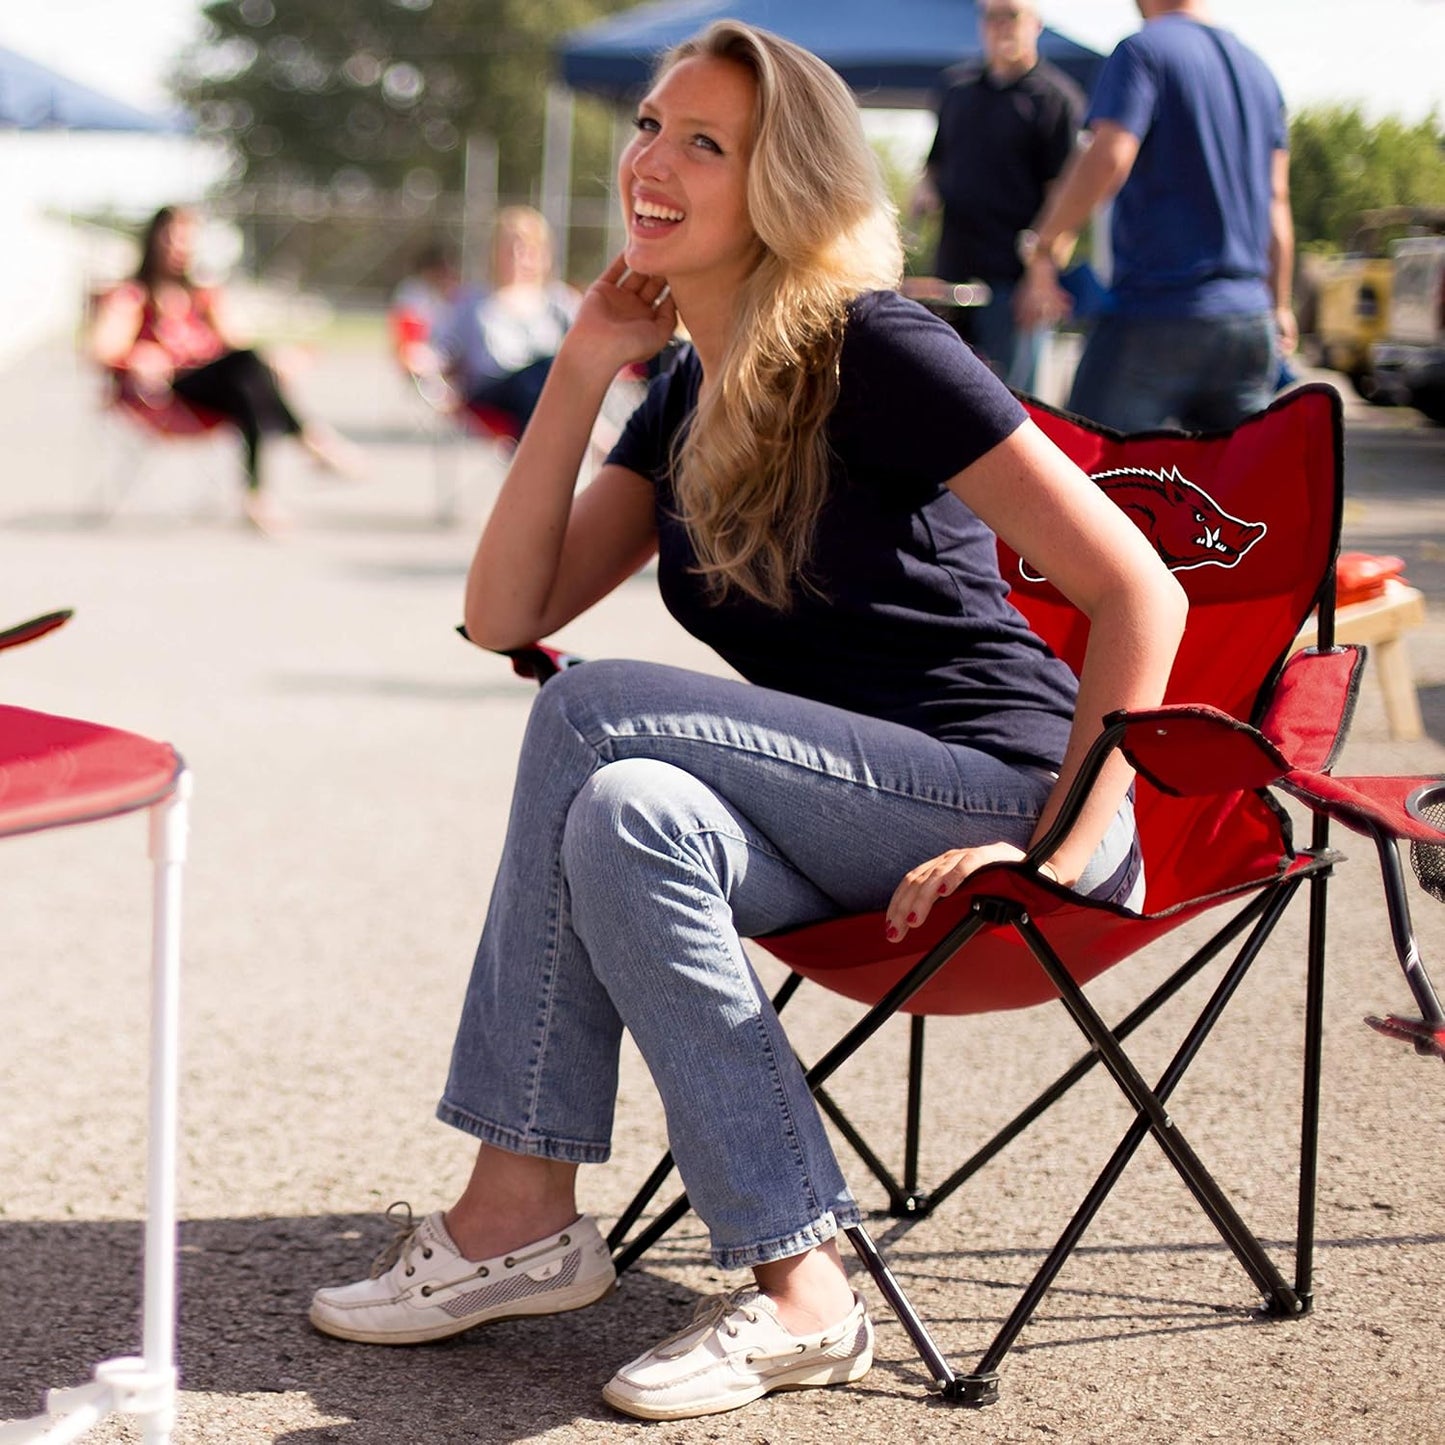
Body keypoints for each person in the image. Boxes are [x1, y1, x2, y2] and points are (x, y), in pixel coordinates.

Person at [310, 20, 1186, 1423]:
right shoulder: (685, 391)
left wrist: (1072, 844)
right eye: (651, 125)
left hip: (1002, 792)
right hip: (842, 809)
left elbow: (1138, 592)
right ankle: (803, 1289)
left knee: (595, 715)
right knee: (626, 811)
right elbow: (501, 615)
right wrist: (587, 365)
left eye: (701, 143)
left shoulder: (878, 347)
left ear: (786, 187)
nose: (650, 160)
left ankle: (517, 1207)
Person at [1015, 0, 1297, 432]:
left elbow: (1109, 155)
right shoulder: (1259, 71)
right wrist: (1279, 304)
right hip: (1248, 321)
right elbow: (1277, 200)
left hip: (1158, 311)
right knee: (1233, 490)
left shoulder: (1142, 51)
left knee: (1086, 475)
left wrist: (1045, 246)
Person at [89, 205, 362, 534]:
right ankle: (309, 444)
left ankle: (258, 495)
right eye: (171, 237)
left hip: (216, 389)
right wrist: (137, 355)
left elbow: (236, 340)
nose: (178, 246)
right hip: (167, 392)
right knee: (248, 373)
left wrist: (279, 360)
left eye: (185, 239)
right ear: (153, 241)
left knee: (249, 378)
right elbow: (102, 349)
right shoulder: (132, 296)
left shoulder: (202, 295)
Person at [908, 0, 1083, 392]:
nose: (1001, 26)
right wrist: (923, 196)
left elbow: (1067, 198)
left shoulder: (1056, 100)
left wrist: (1041, 275)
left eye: (1012, 16)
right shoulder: (957, 89)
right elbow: (935, 166)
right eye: (992, 16)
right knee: (945, 397)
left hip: (1013, 283)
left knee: (1014, 406)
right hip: (951, 276)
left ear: (1035, 24)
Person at [430, 206, 581, 430]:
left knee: (549, 375)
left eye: (529, 249)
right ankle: (544, 453)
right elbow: (443, 351)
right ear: (494, 253)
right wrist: (430, 369)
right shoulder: (473, 301)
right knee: (535, 381)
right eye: (511, 248)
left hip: (547, 385)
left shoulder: (560, 301)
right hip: (493, 389)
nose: (519, 257)